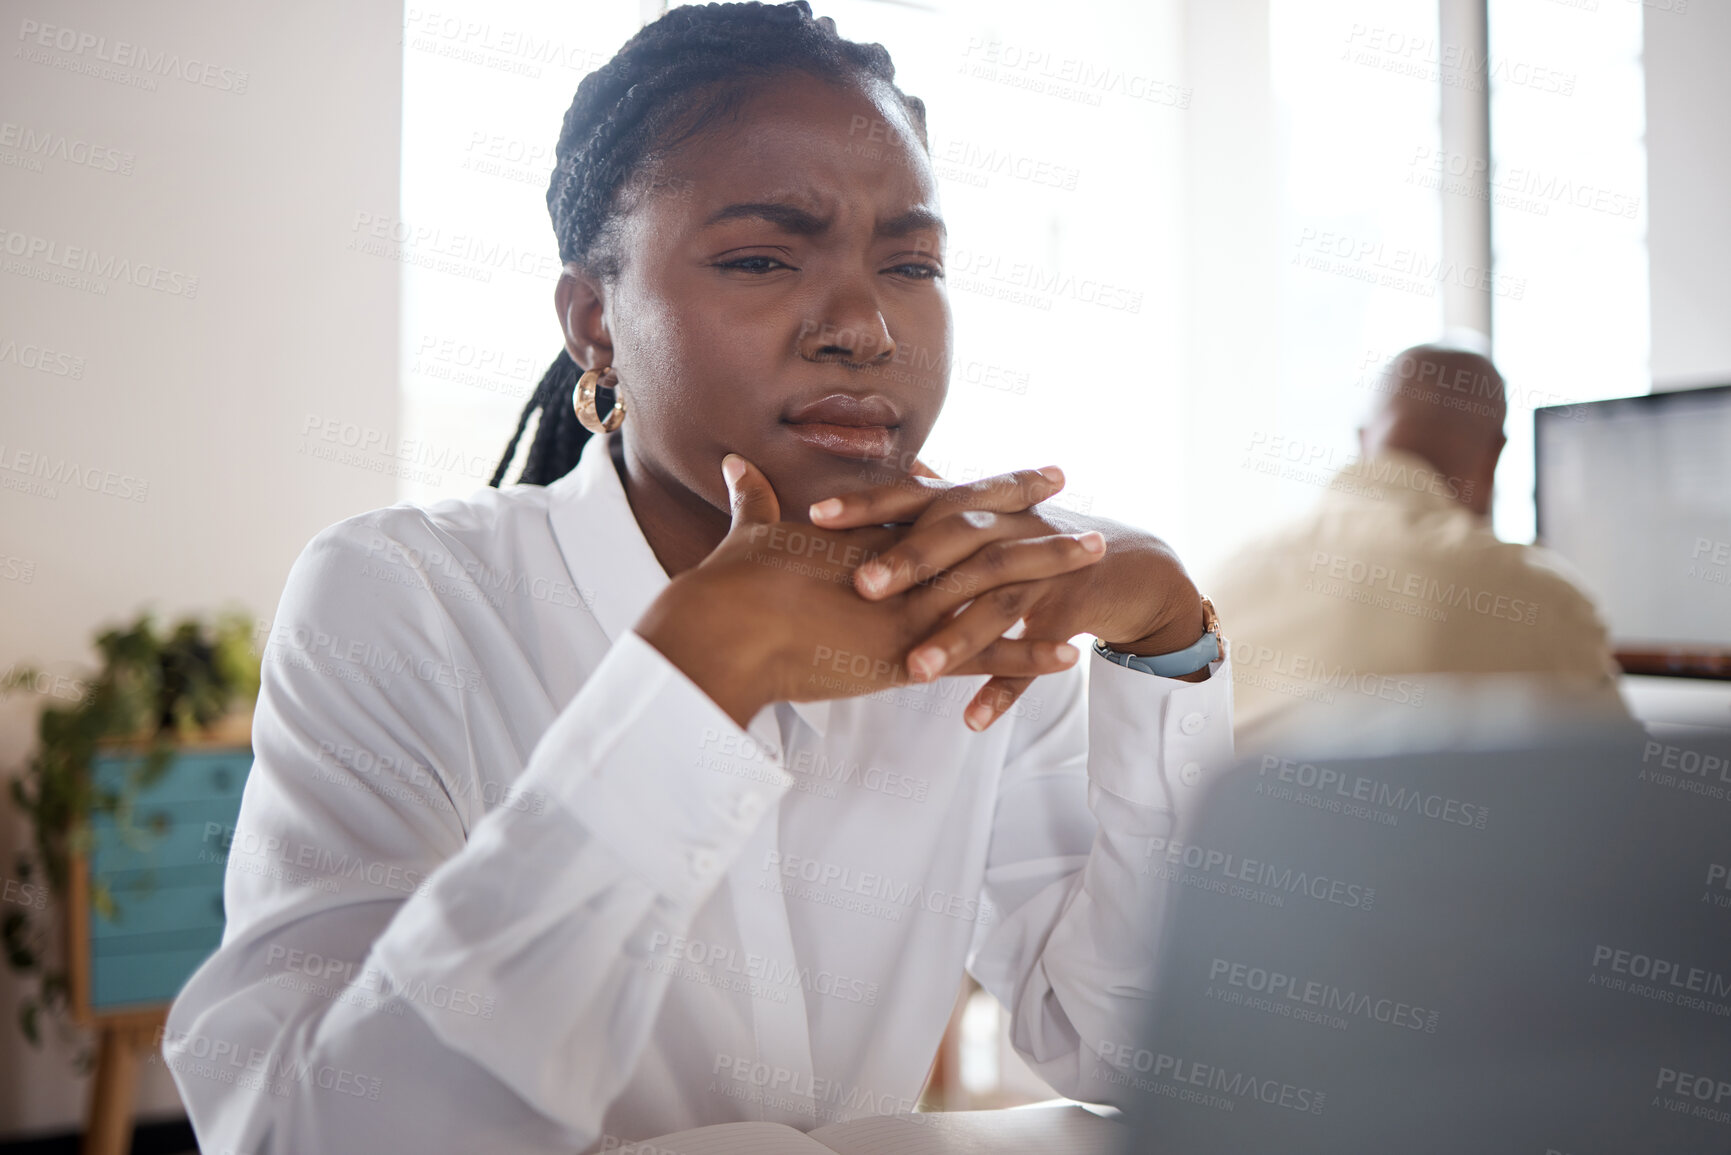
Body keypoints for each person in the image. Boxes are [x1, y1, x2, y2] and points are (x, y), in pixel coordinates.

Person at [161, 5, 1233, 1152]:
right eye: (763, 257)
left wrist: (1167, 645)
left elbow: (1142, 1056)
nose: (866, 327)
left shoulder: (974, 611)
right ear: (596, 324)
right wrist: (696, 674)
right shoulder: (404, 597)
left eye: (912, 263)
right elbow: (308, 1134)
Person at [1208, 343, 1624, 749]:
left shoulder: (1223, 579)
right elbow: (1621, 789)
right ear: (1494, 456)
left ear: (1364, 438)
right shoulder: (1538, 597)